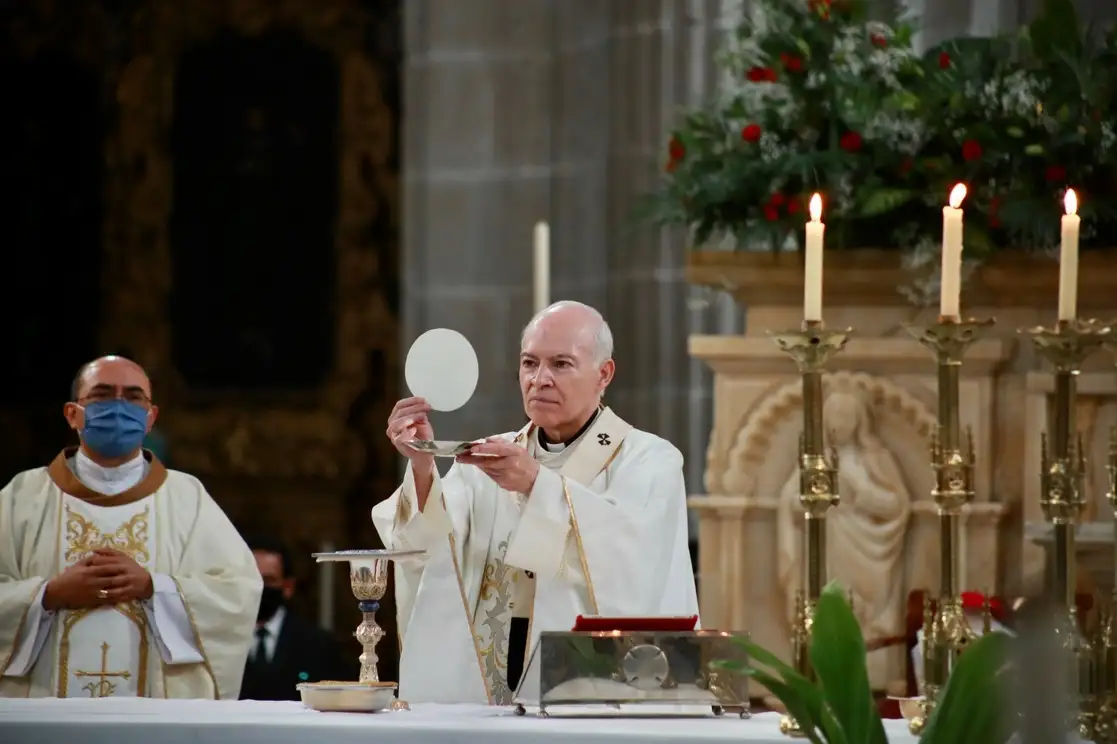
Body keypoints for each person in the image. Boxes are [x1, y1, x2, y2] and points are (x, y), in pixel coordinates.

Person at [373, 301, 699, 705]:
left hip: (592, 696)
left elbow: (638, 564)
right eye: (530, 363)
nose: (540, 379)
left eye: (561, 364)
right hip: (487, 695)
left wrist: (537, 485)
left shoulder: (650, 460)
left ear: (604, 374)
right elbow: (429, 550)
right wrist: (422, 463)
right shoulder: (491, 457)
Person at [0, 356, 261, 698]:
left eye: (134, 397)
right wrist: (49, 595)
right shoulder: (24, 496)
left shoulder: (187, 497)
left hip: (154, 717)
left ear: (151, 417)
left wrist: (154, 587)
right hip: (46, 713)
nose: (119, 407)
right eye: (103, 395)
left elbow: (237, 592)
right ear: (72, 413)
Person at [239, 536, 354, 700]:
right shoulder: (218, 641)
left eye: (268, 580)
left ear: (288, 587)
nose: (259, 588)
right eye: (252, 579)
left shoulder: (319, 646)